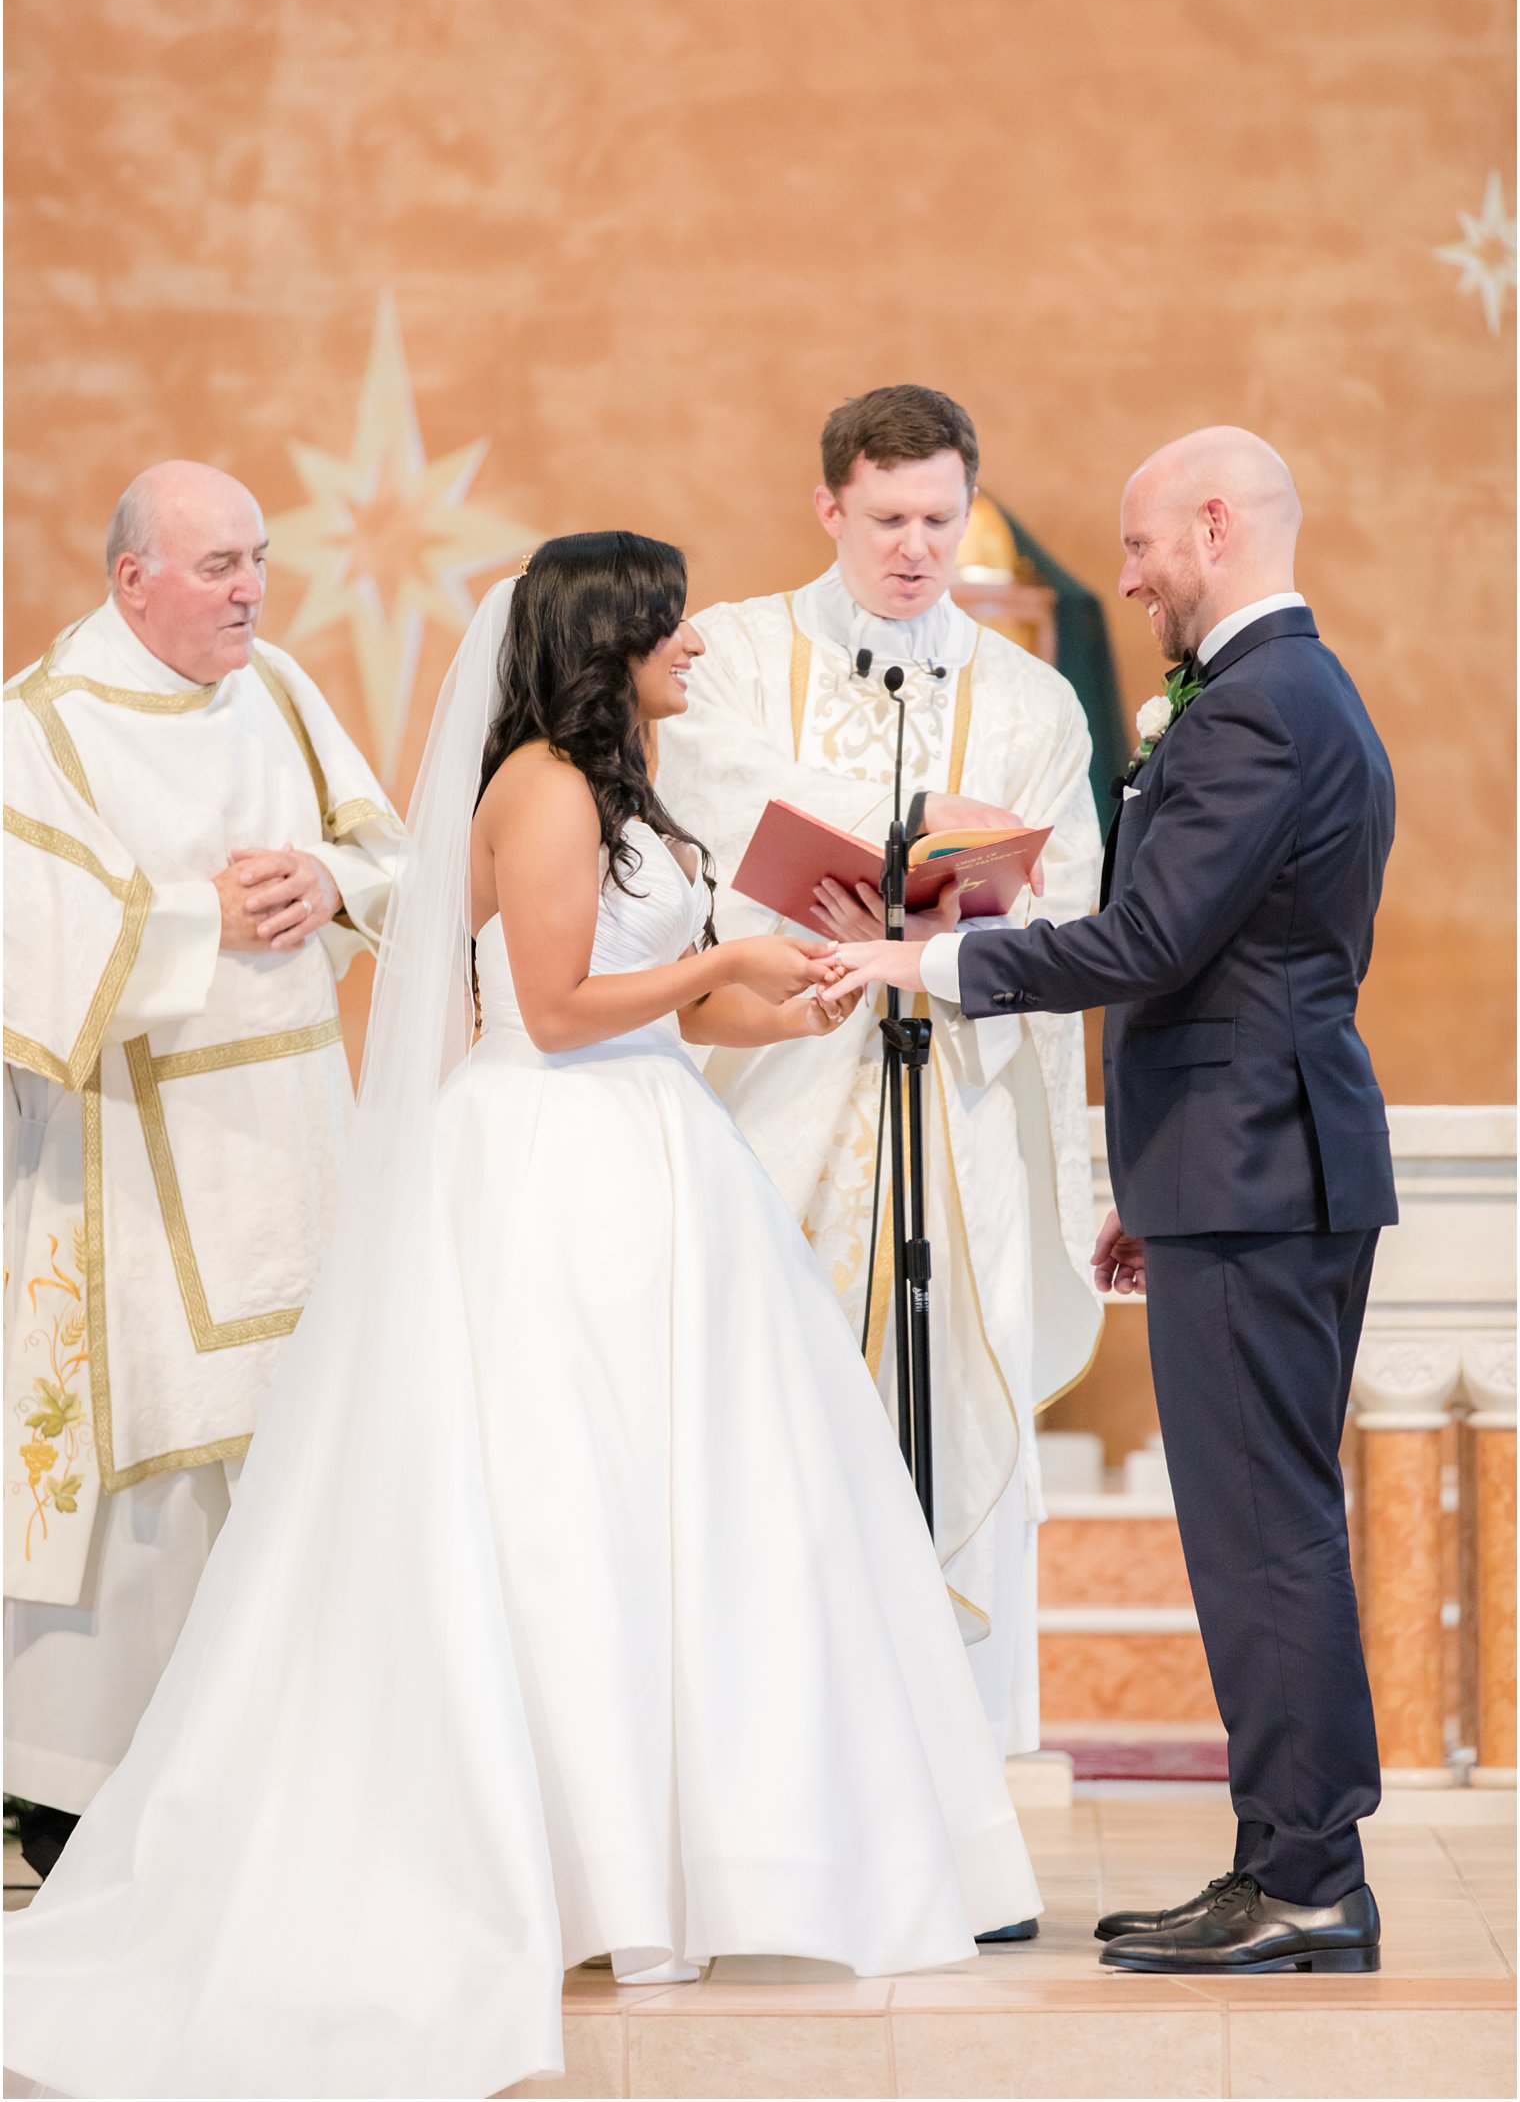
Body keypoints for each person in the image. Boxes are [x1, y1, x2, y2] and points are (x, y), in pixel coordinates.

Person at [5, 532, 1041, 2101]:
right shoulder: (543, 786)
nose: (695, 643)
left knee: (685, 1514)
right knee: (558, 1507)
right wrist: (732, 955)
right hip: (555, 1164)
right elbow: (552, 1009)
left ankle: (701, 1863)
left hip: (659, 1158)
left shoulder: (636, 787)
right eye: (671, 623)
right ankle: (574, 1869)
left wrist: (792, 986)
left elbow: (690, 996)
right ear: (608, 633)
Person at [834, 427, 1395, 1977]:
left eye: (1145, 544)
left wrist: (930, 962)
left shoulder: (1262, 710)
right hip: (1246, 1164)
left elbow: (1148, 939)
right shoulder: (1282, 697)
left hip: (1262, 1169)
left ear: (1215, 527)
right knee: (1253, 1529)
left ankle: (1310, 1875)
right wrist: (1159, 1179)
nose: (1128, 574)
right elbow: (1238, 967)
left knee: (1265, 1536)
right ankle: (1281, 1859)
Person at [658, 384, 1102, 1768]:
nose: (917, 547)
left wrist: (940, 904)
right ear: (828, 507)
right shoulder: (730, 652)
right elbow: (712, 796)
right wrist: (925, 834)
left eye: (941, 516)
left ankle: (952, 1789)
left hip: (950, 1119)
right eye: (888, 517)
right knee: (768, 1438)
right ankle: (783, 1784)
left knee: (941, 1421)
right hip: (774, 1110)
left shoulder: (1029, 695)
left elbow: (1072, 896)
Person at [3, 461, 400, 1880]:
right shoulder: (42, 724)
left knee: (288, 1448)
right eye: (220, 565)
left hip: (291, 1129)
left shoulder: (281, 689)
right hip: (125, 1149)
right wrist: (199, 914)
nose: (251, 589)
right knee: (147, 1475)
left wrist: (333, 886)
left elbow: (387, 855)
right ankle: (78, 1787)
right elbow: (27, 935)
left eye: (259, 559)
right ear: (132, 582)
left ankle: (277, 1768)